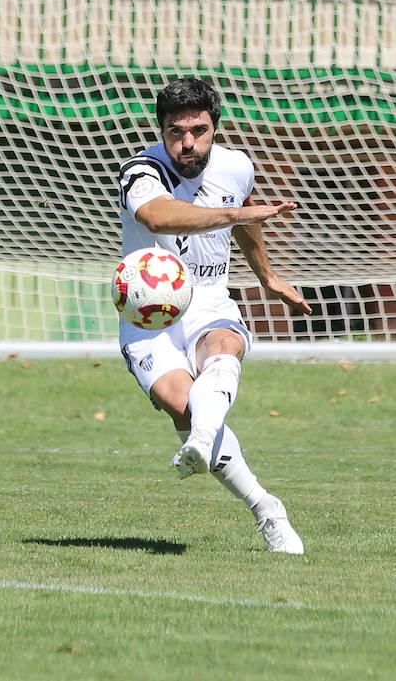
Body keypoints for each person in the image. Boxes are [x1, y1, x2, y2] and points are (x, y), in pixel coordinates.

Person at [118, 77, 312, 553]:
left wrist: (267, 277)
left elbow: (245, 219)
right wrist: (235, 216)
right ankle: (266, 506)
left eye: (198, 130)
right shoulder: (140, 172)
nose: (187, 142)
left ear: (215, 127)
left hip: (207, 299)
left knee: (223, 350)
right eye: (175, 131)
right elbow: (160, 218)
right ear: (161, 131)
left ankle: (206, 442)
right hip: (149, 315)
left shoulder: (236, 167)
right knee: (185, 406)